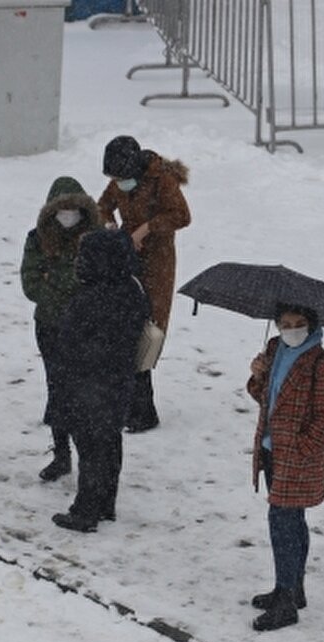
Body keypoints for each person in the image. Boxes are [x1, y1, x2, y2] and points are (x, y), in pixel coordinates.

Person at [245, 304, 324, 631]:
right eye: (285, 324)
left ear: (311, 326)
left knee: (282, 522)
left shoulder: (322, 365)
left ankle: (286, 600)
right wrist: (257, 375)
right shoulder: (274, 350)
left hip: (298, 459)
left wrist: (301, 449)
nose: (291, 330)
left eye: (299, 324)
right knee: (292, 521)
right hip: (273, 451)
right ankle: (290, 588)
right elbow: (263, 397)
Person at [49, 229, 149, 533]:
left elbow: (72, 340)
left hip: (88, 384)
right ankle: (105, 503)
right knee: (108, 443)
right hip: (117, 383)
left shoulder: (93, 297)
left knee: (91, 447)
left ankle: (85, 510)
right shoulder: (132, 289)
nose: (80, 262)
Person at [97, 134, 191, 433]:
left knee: (149, 327)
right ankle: (130, 403)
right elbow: (102, 206)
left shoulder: (161, 180)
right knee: (124, 324)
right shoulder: (120, 181)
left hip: (158, 262)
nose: (118, 182)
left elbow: (182, 215)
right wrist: (114, 228)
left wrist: (146, 230)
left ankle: (143, 409)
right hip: (128, 258)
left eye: (121, 177)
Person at [20, 176, 101, 482]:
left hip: (86, 329)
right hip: (51, 327)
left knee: (83, 394)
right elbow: (31, 284)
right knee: (57, 389)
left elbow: (99, 282)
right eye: (62, 209)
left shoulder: (95, 238)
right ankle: (61, 453)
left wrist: (53, 279)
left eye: (73, 208)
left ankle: (86, 457)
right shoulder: (37, 238)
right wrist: (71, 286)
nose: (68, 214)